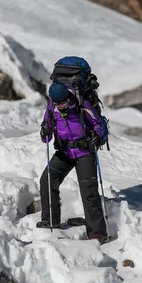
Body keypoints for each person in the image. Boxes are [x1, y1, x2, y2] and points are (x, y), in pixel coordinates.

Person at [38, 81, 109, 244]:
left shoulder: (81, 103)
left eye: (63, 102)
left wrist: (97, 135)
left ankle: (98, 234)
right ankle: (50, 221)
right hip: (65, 152)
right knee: (47, 180)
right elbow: (46, 137)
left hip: (85, 152)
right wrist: (45, 131)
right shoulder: (52, 108)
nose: (60, 106)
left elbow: (99, 123)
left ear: (67, 96)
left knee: (88, 191)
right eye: (57, 103)